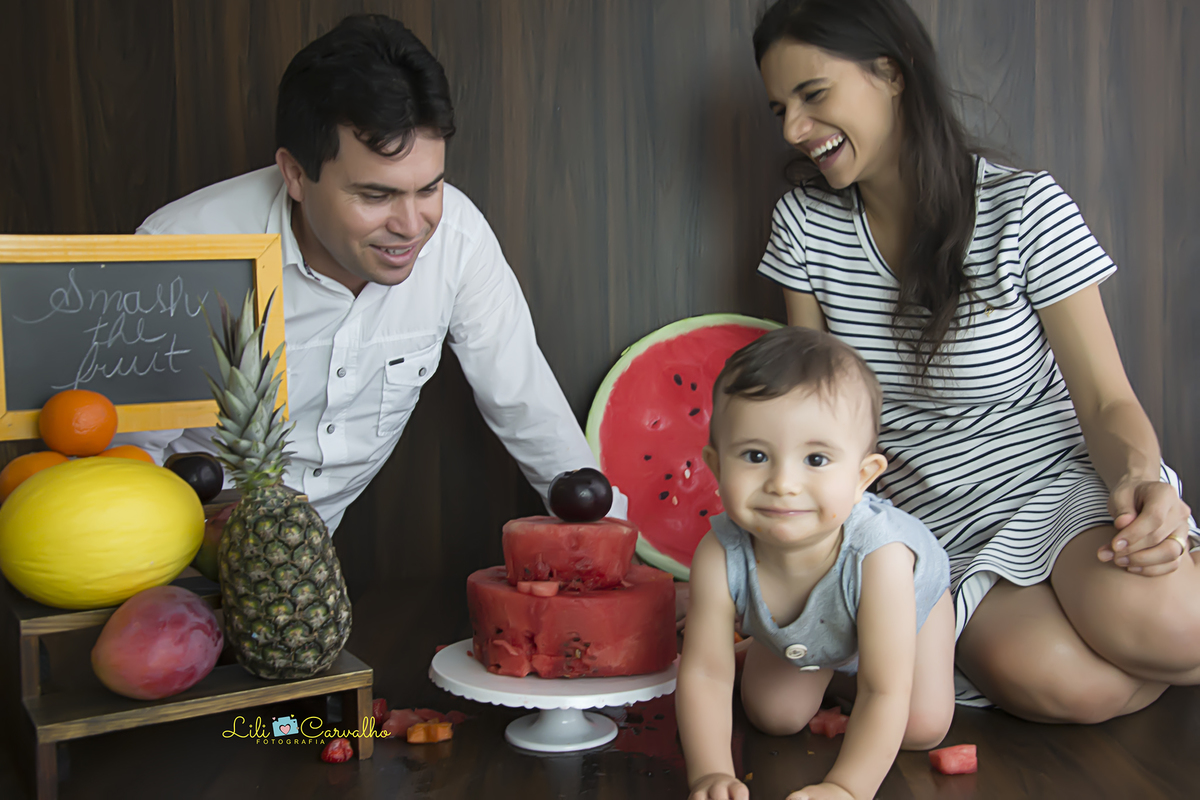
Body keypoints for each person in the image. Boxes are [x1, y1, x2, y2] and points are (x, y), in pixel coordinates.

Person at [752, 0, 1199, 723]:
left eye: (814, 95)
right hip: (926, 523)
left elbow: (1105, 400)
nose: (795, 131)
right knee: (1077, 691)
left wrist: (1141, 484)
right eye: (780, 109)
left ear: (890, 75)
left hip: (1051, 485)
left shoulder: (1025, 208)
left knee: (1179, 631)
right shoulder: (803, 227)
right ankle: (1024, 633)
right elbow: (817, 421)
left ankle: (1130, 618)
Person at [120, 14, 626, 544]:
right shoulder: (181, 253)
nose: (412, 227)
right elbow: (126, 464)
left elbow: (525, 399)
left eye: (428, 188)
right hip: (180, 552)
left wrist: (619, 552)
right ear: (295, 173)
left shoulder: (458, 236)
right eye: (376, 196)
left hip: (316, 574)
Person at [677, 326, 954, 800]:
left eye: (817, 459)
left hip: (909, 611)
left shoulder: (882, 557)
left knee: (920, 726)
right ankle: (814, 664)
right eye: (756, 455)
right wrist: (710, 773)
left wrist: (847, 788)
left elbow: (887, 689)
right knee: (773, 716)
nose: (784, 483)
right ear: (717, 465)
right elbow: (704, 673)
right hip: (813, 630)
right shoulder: (719, 553)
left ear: (863, 476)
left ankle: (845, 675)